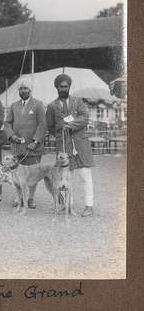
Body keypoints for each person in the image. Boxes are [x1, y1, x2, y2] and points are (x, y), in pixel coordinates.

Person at [46, 73, 95, 217]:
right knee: (63, 178)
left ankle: (89, 206)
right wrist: (61, 137)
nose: (63, 89)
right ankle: (64, 205)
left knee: (85, 175)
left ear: (69, 87)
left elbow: (85, 118)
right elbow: (50, 127)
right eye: (61, 86)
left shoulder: (78, 102)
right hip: (63, 146)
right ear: (56, 87)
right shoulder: (51, 106)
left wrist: (70, 126)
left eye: (66, 86)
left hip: (81, 144)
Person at [4, 79, 47, 208]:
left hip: (33, 148)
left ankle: (31, 198)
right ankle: (19, 198)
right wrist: (12, 136)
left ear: (30, 90)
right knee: (16, 175)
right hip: (17, 147)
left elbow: (42, 124)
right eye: (21, 89)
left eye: (25, 88)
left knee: (33, 174)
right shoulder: (14, 106)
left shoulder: (38, 105)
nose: (23, 91)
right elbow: (7, 123)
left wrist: (35, 141)